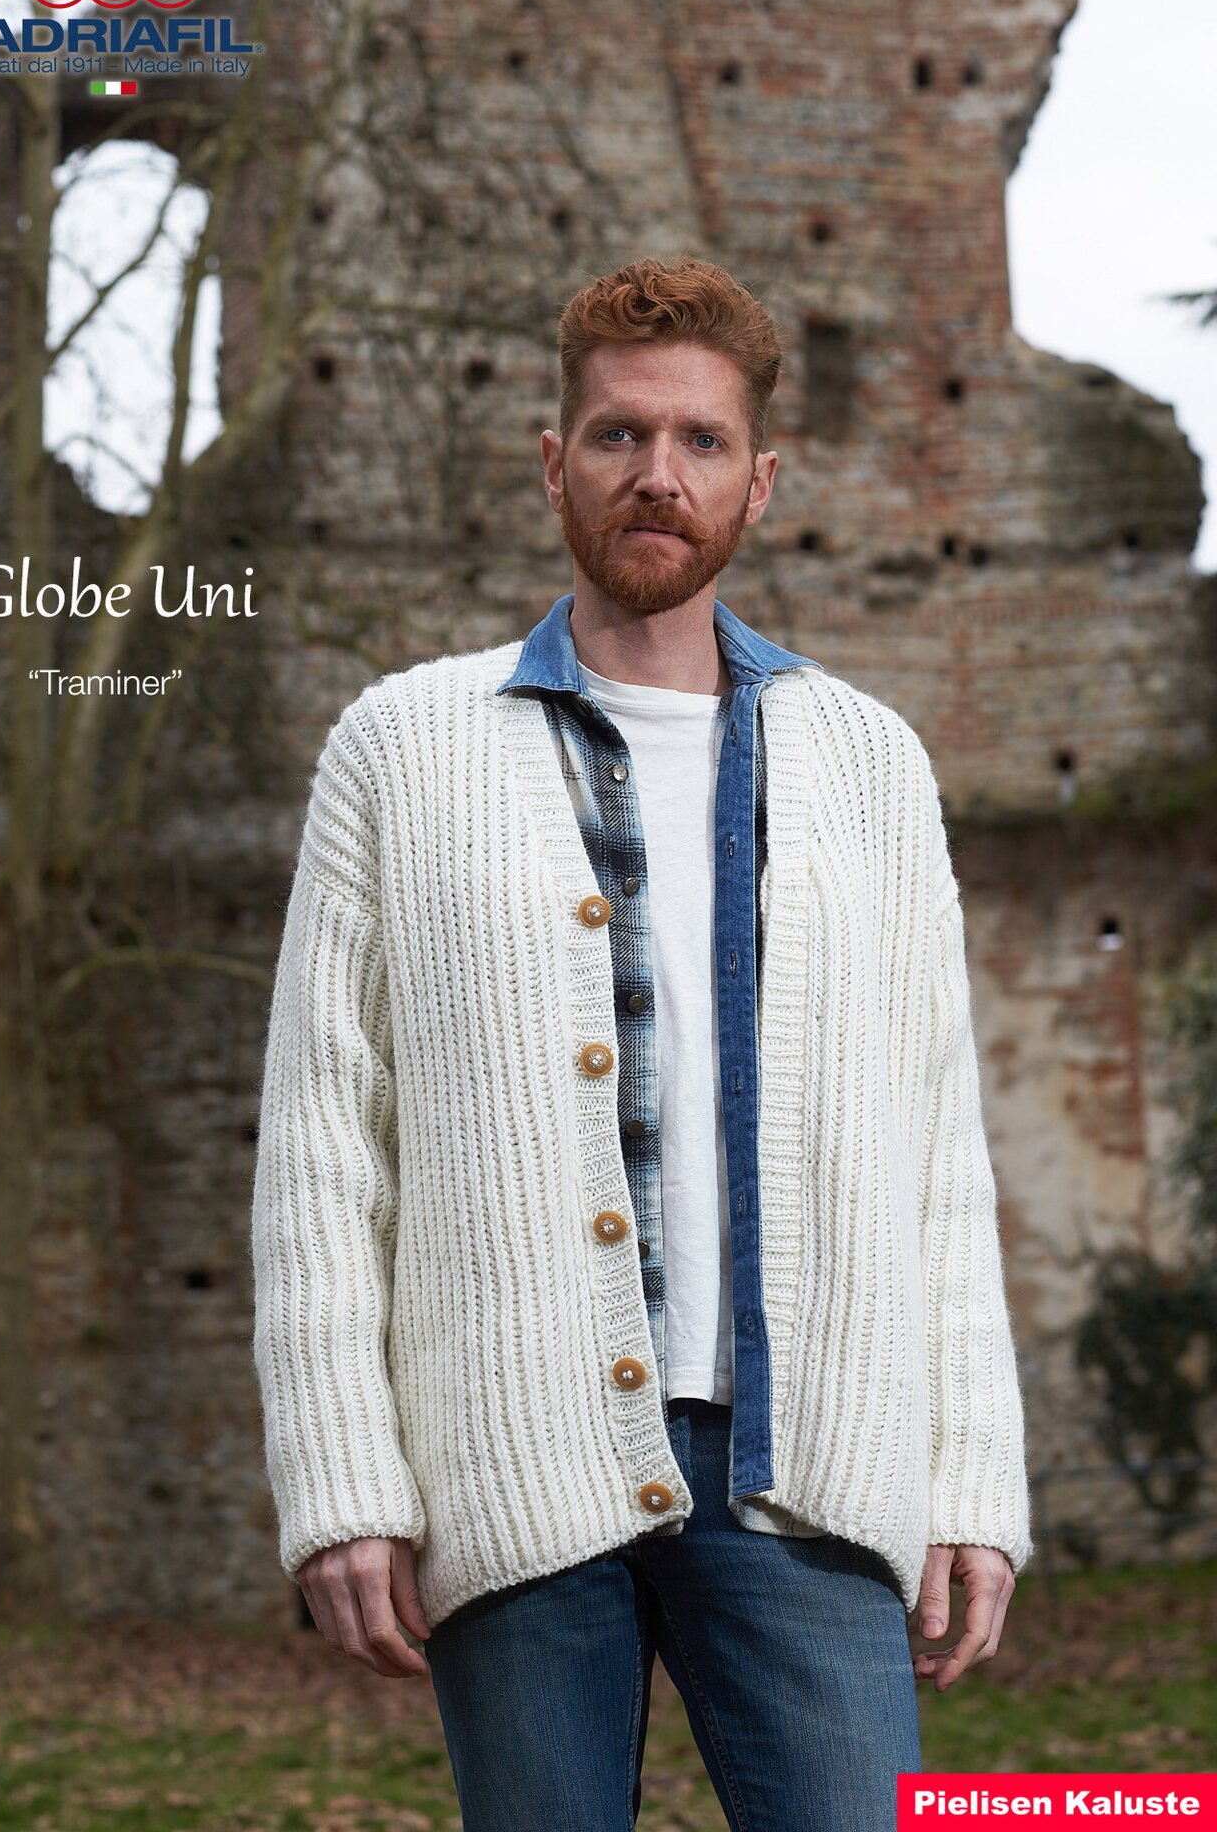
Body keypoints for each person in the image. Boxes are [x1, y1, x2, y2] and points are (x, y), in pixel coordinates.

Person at [250, 255, 1034, 1830]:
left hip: (808, 1468)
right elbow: (327, 1144)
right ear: (556, 464)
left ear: (760, 481)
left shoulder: (872, 763)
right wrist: (340, 1480)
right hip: (513, 1456)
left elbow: (938, 1144)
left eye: (699, 441)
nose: (656, 474)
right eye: (618, 436)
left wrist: (972, 1472)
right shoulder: (402, 748)